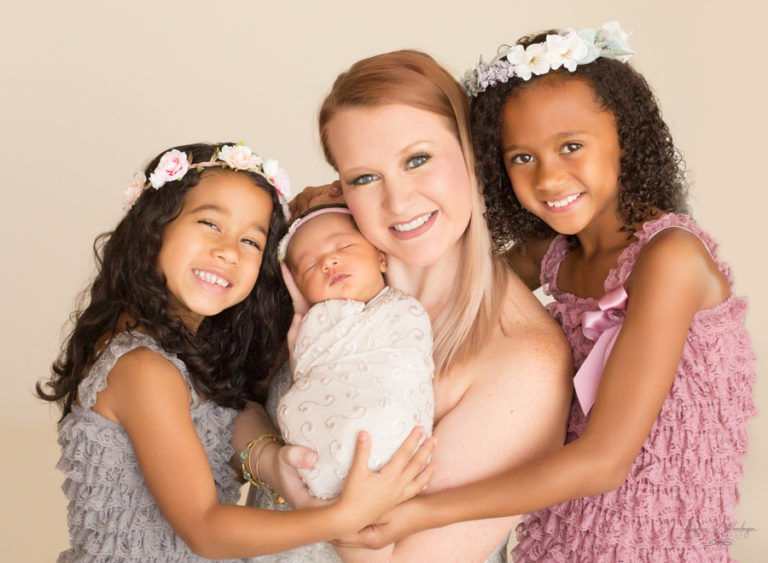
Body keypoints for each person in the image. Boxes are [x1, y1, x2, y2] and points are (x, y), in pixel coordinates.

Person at [339, 23, 757, 561]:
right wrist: (344, 202)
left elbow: (604, 463)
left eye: (572, 146)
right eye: (522, 157)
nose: (549, 177)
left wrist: (421, 510)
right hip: (563, 539)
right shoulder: (556, 253)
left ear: (625, 137)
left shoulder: (669, 259)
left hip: (657, 547)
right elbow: (447, 265)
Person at [36, 142, 435, 562]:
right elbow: (205, 529)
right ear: (153, 228)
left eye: (250, 240)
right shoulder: (142, 368)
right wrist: (341, 517)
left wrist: (269, 459)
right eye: (210, 223)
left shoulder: (190, 352)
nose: (228, 251)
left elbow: (231, 412)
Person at [248, 50, 573, 563]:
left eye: (417, 159)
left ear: (471, 154)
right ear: (340, 188)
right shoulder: (323, 266)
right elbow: (220, 402)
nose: (398, 202)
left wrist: (338, 516)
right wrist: (266, 458)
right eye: (364, 178)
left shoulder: (523, 364)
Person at [275, 204, 434, 500]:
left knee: (386, 414)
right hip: (318, 442)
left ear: (382, 258)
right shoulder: (312, 325)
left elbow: (409, 367)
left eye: (344, 246)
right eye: (309, 266)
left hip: (389, 417)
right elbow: (309, 375)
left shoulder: (403, 309)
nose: (328, 262)